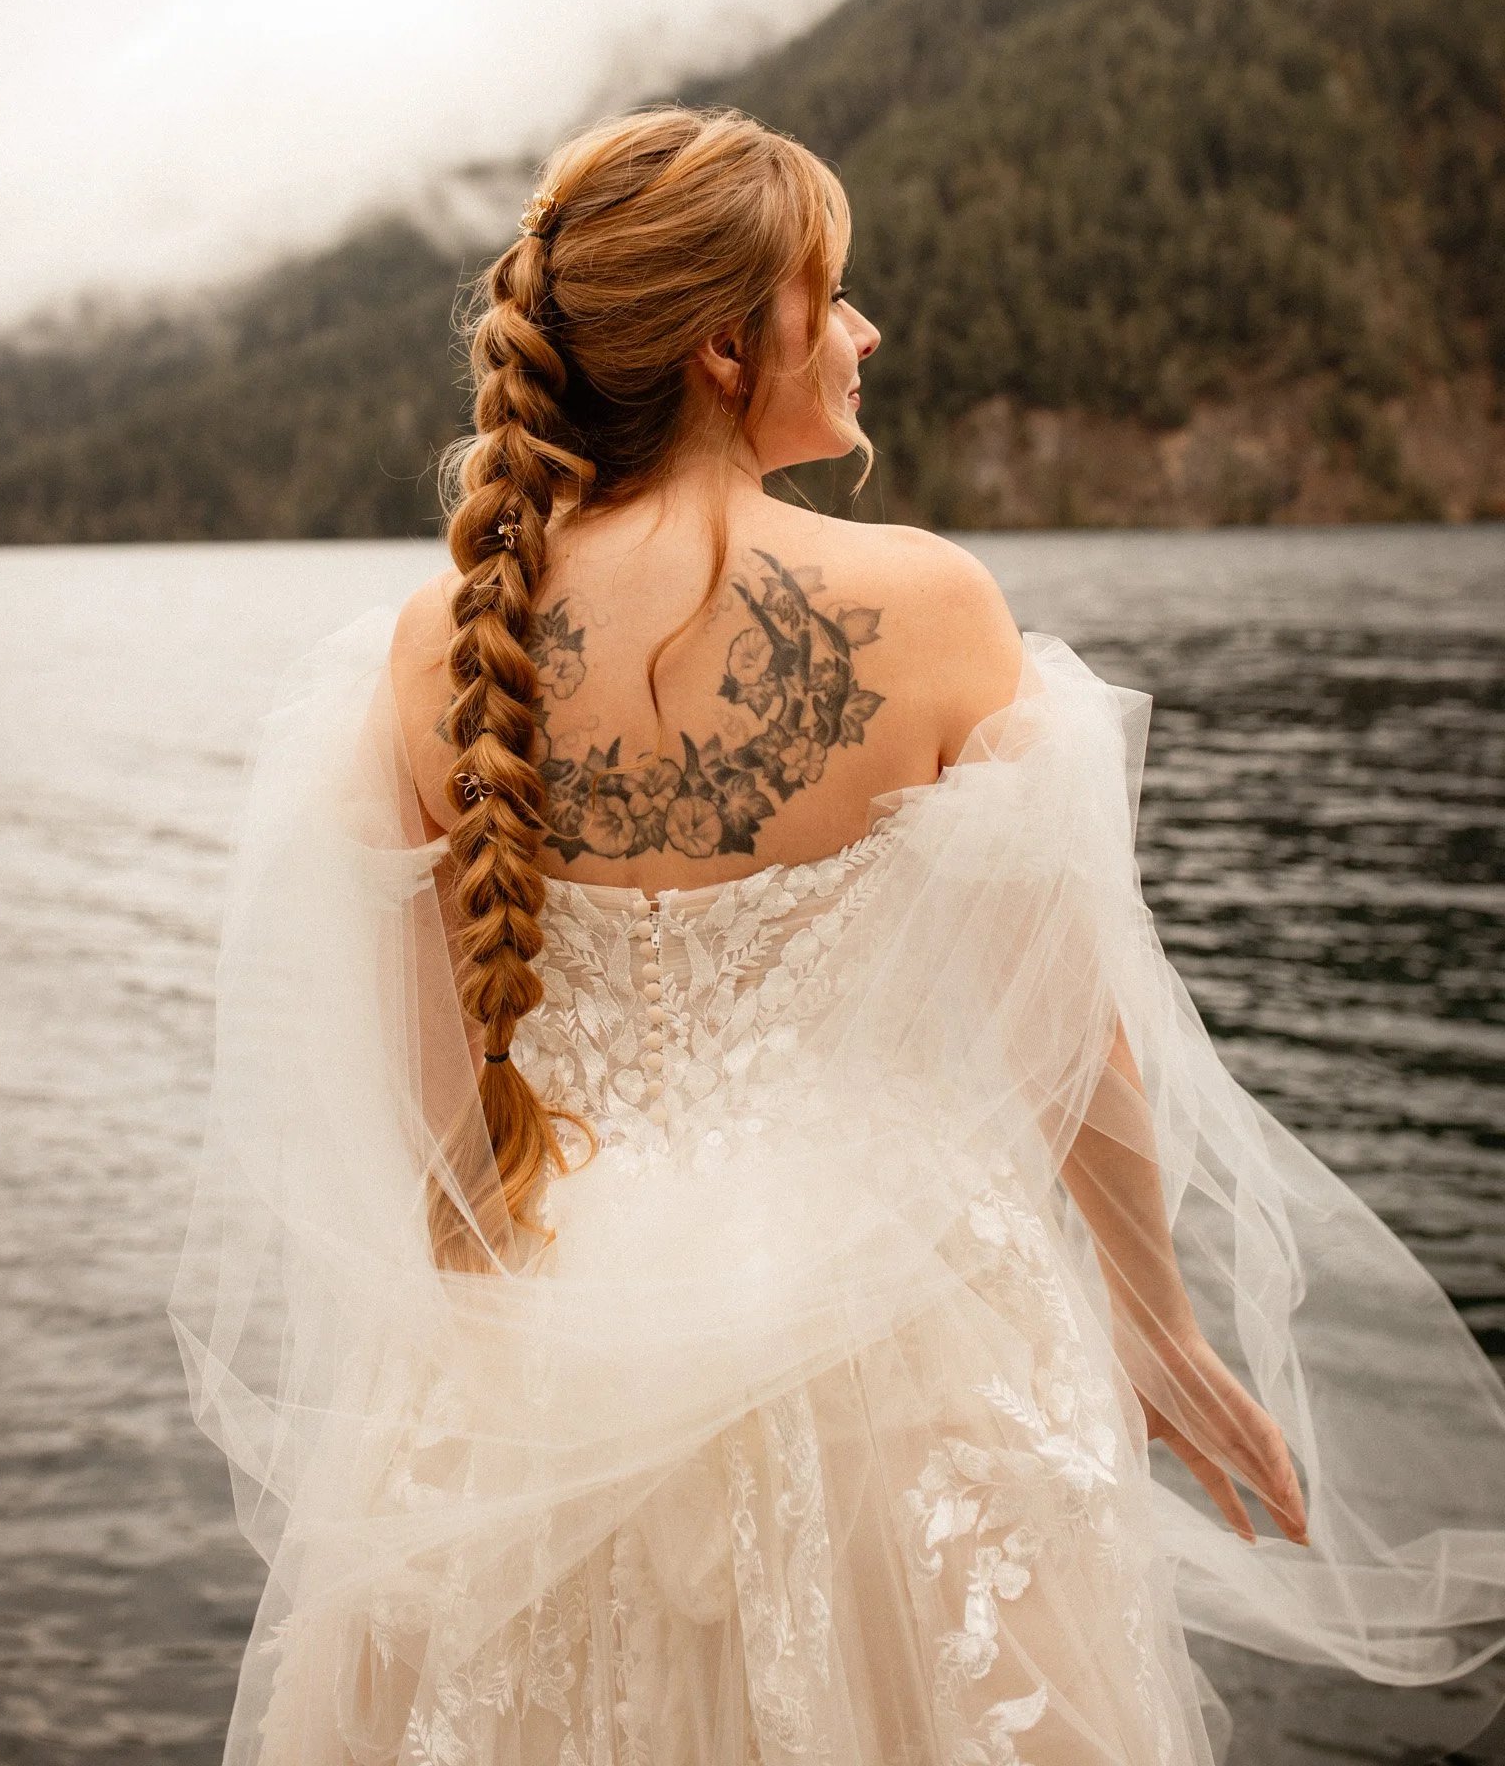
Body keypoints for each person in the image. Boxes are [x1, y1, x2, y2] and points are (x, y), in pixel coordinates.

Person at [174, 109, 1505, 1766]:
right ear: (731, 345)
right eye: (838, 295)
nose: (869, 334)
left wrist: (484, 1379)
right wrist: (1160, 1329)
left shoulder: (443, 640)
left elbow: (435, 1100)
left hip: (531, 1367)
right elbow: (1065, 1032)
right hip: (898, 1352)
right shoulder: (931, 605)